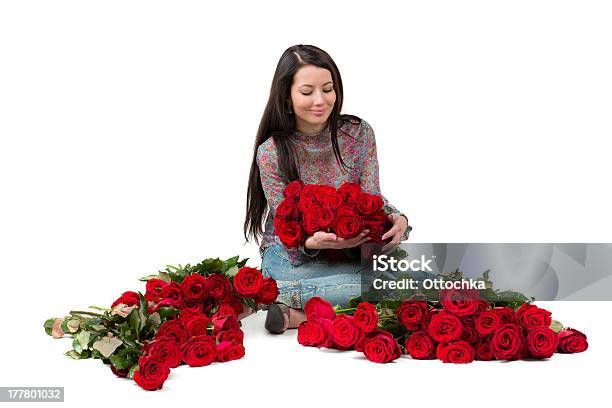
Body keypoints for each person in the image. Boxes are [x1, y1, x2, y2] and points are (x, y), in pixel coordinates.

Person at [243, 44, 411, 334]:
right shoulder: (271, 152)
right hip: (290, 256)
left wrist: (399, 219)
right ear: (287, 96)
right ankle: (286, 293)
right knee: (395, 287)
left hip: (349, 252)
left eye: (328, 89)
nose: (320, 100)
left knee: (399, 275)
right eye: (307, 92)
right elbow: (286, 229)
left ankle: (296, 314)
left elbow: (372, 199)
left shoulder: (358, 133)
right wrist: (312, 243)